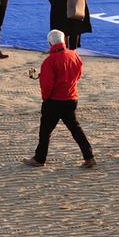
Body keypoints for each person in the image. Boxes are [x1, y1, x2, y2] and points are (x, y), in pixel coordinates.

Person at [22, 30, 95, 168]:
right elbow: (78, 74)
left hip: (54, 101)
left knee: (45, 131)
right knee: (75, 129)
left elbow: (47, 85)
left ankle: (39, 158)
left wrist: (46, 99)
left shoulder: (49, 61)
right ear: (64, 41)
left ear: (50, 43)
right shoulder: (74, 55)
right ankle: (89, 156)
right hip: (71, 98)